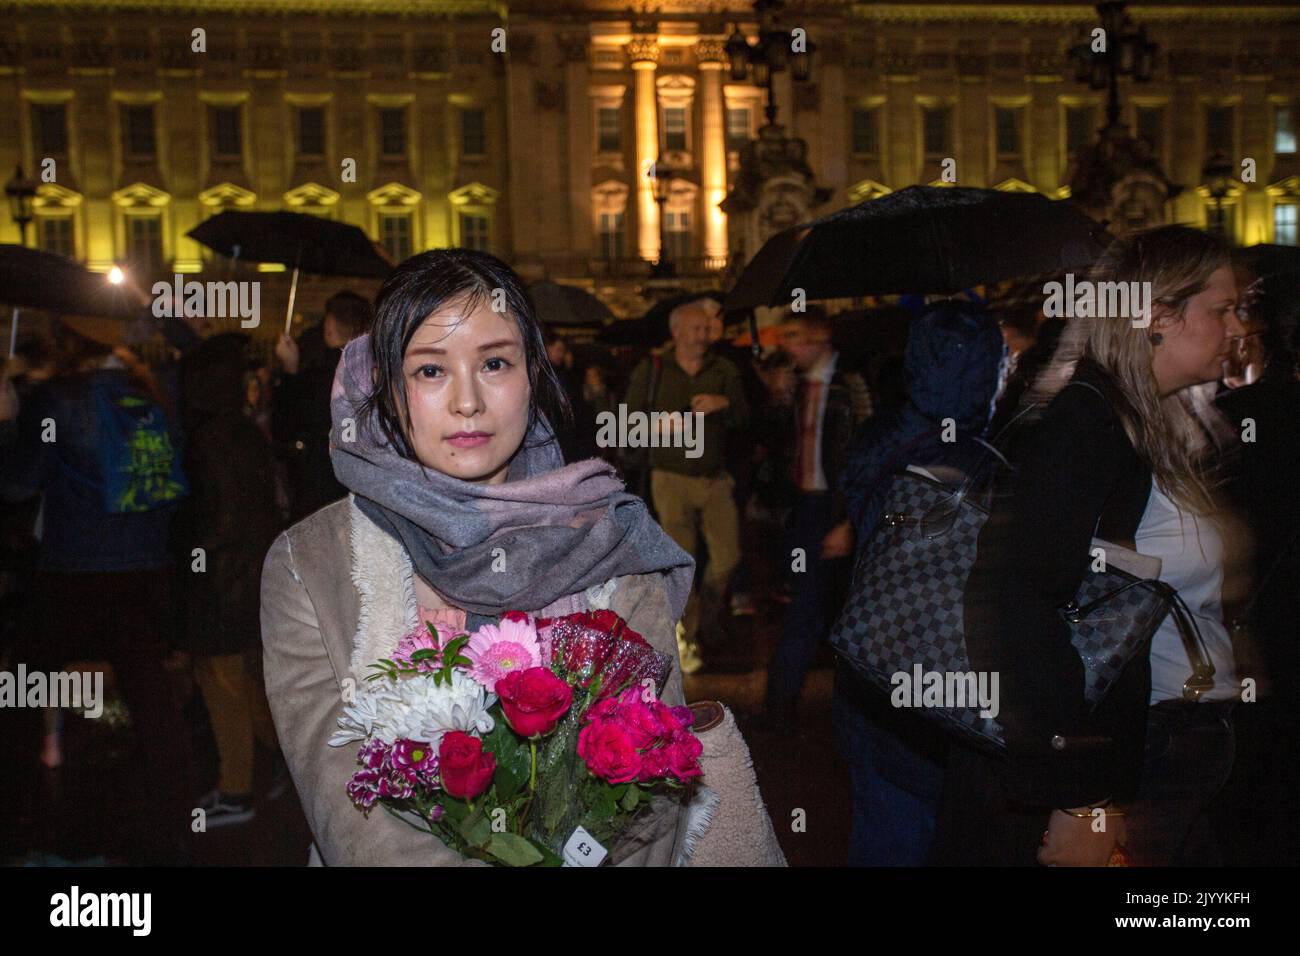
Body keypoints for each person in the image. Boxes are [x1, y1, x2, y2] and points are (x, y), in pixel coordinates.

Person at [259, 248, 783, 866]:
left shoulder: (611, 548)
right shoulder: (310, 564)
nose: (467, 402)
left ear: (534, 376)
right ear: (390, 390)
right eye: (430, 370)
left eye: (496, 363)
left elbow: (655, 791)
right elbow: (351, 811)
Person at [932, 225, 1247, 867]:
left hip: (1161, 749)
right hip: (1117, 756)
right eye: (1222, 309)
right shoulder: (1087, 421)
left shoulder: (1152, 415)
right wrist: (1080, 796)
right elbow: (1023, 599)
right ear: (1159, 315)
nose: (1236, 326)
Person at [0, 315, 196, 864]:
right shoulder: (150, 390)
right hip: (146, 566)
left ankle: (21, 816)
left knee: (24, 685)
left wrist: (7, 424)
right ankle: (176, 821)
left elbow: (17, 482)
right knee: (150, 694)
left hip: (75, 569)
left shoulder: (57, 398)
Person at [834, 298, 1005, 865]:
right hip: (944, 677)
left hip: (872, 664)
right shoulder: (981, 459)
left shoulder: (882, 438)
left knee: (882, 825)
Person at [178, 333, 284, 826]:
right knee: (247, 681)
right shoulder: (244, 432)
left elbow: (217, 521)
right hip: (249, 578)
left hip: (221, 583)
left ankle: (236, 791)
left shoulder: (209, 437)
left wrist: (188, 551)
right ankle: (287, 762)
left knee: (223, 686)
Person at [623, 300, 750, 674]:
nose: (703, 335)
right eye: (695, 328)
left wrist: (723, 402)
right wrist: (659, 425)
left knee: (728, 557)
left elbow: (747, 417)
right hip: (670, 478)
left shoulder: (723, 369)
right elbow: (628, 421)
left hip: (714, 479)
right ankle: (687, 639)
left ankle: (710, 614)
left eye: (706, 329)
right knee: (683, 563)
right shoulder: (654, 369)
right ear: (676, 332)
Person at [762, 308, 872, 728]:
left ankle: (789, 703)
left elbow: (861, 455)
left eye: (794, 335)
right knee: (805, 603)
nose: (786, 345)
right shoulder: (797, 384)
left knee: (824, 606)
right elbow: (778, 446)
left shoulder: (847, 386)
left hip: (833, 505)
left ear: (819, 337)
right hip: (804, 507)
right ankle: (783, 702)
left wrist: (848, 519)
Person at [273, 290, 373, 521]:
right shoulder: (375, 377)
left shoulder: (316, 379)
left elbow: (283, 427)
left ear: (329, 327)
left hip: (320, 495)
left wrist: (289, 371)